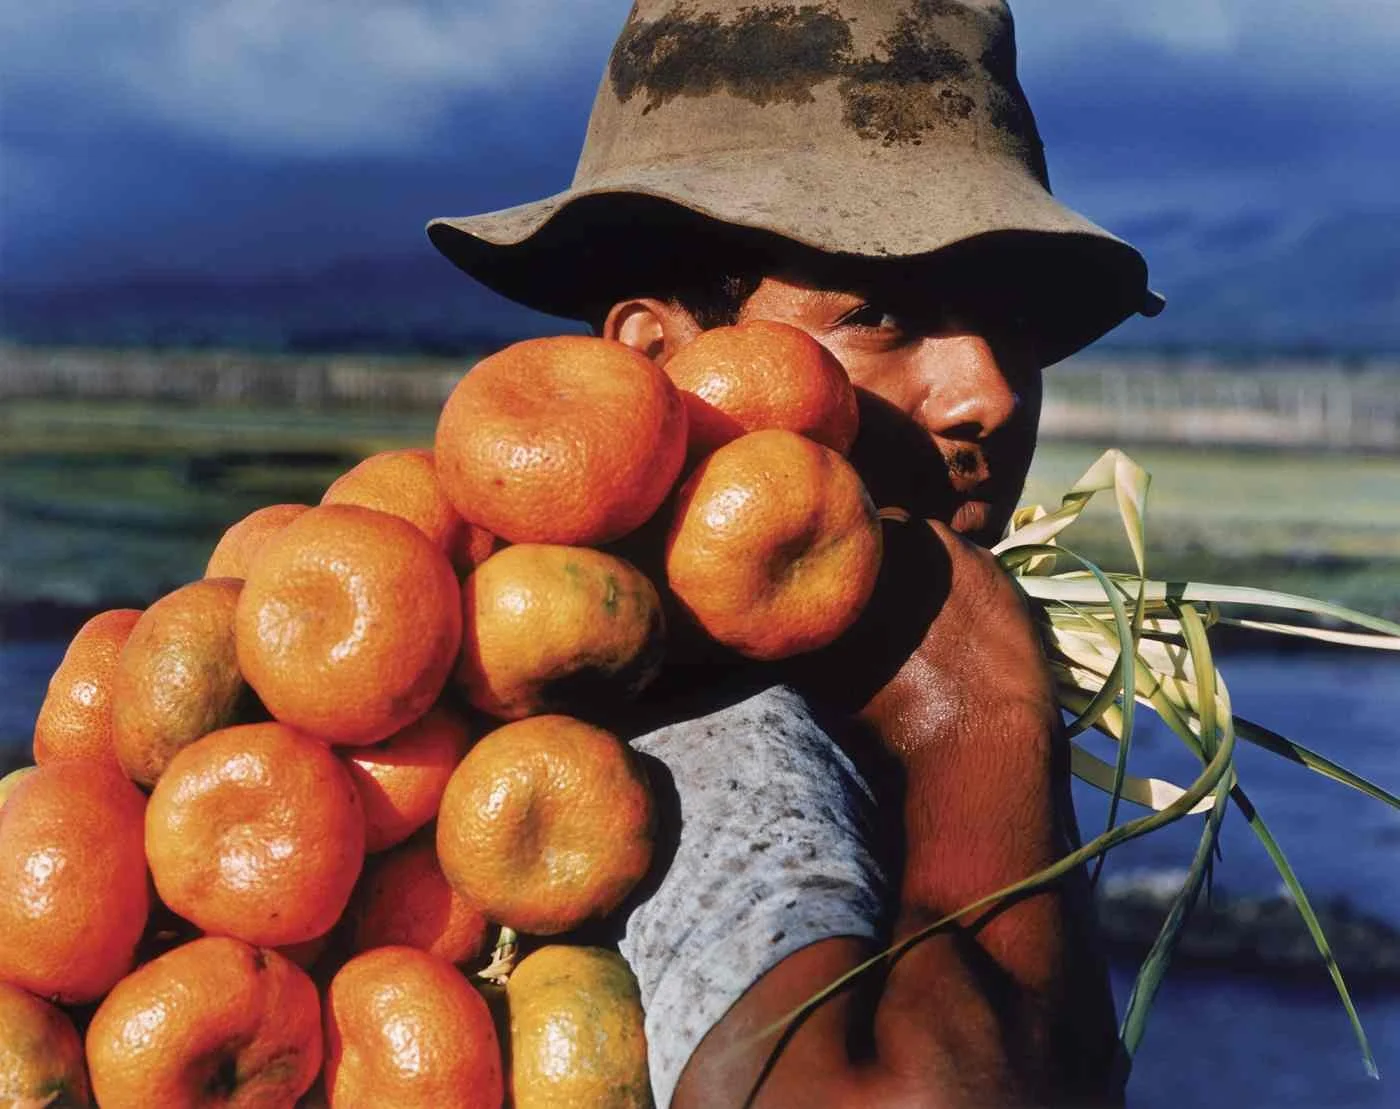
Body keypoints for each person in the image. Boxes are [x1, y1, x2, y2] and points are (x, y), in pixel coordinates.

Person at [428, 3, 1164, 1105]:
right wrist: (978, 711)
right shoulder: (703, 742)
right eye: (880, 314)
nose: (989, 393)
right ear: (655, 355)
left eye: (1006, 328)